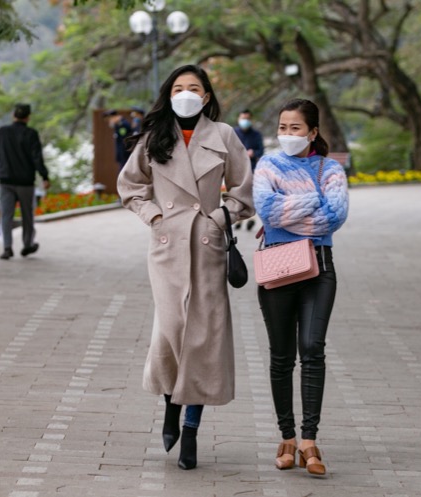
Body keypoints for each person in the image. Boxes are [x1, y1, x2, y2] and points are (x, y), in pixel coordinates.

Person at [117, 65, 254, 470]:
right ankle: (171, 408)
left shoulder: (225, 135)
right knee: (171, 332)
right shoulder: (152, 136)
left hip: (208, 246)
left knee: (203, 338)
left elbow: (245, 192)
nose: (186, 94)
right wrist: (156, 217)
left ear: (208, 96)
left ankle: (191, 428)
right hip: (166, 247)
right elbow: (130, 188)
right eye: (179, 87)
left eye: (194, 88)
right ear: (169, 93)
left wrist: (218, 217)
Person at [253, 98, 349, 476]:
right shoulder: (266, 164)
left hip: (319, 269)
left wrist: (289, 206)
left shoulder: (331, 168)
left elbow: (334, 216)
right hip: (278, 266)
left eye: (295, 128)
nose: (287, 134)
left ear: (312, 132)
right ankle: (287, 437)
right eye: (282, 128)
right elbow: (266, 209)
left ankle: (310, 439)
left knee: (312, 348)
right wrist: (311, 201)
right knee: (281, 356)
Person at [0, 103, 50, 260]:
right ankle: (27, 244)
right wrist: (44, 176)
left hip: (5, 181)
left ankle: (7, 247)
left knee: (6, 215)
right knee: (27, 215)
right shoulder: (31, 134)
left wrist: (0, 170)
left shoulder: (2, 132)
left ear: (13, 115)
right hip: (25, 181)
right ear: (28, 117)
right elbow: (37, 158)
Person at [233, 108, 264, 231]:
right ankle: (237, 218)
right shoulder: (233, 133)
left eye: (247, 118)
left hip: (251, 169)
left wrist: (253, 153)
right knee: (236, 194)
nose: (245, 121)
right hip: (235, 168)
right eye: (243, 118)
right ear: (239, 119)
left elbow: (261, 151)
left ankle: (250, 218)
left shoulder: (256, 135)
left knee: (251, 195)